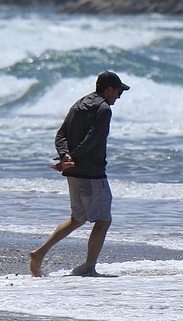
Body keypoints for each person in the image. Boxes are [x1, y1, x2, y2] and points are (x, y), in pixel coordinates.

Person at [29, 71, 130, 277]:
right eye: (119, 91)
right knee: (103, 221)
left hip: (74, 173)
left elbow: (61, 134)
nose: (119, 96)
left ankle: (39, 253)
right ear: (109, 89)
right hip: (91, 173)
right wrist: (70, 159)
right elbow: (92, 140)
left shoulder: (79, 104)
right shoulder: (103, 110)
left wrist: (66, 157)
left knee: (78, 218)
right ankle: (89, 266)